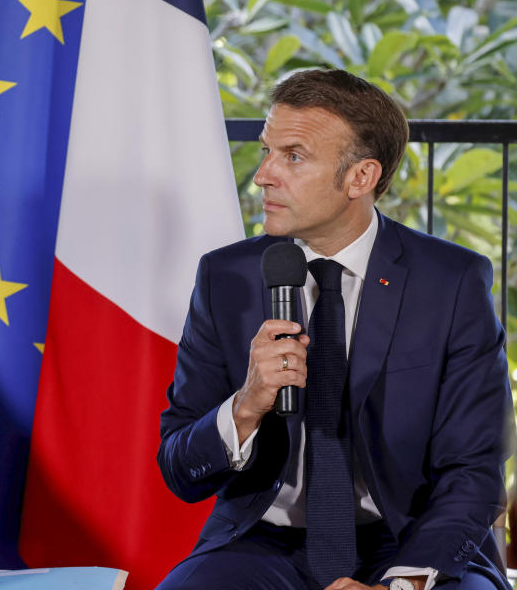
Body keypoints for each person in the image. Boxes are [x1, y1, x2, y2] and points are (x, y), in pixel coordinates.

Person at [156, 69, 512, 590]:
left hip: (414, 541)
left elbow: (474, 471)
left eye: (293, 156)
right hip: (265, 544)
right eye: (265, 151)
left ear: (360, 178)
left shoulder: (453, 281)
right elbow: (178, 468)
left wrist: (405, 583)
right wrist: (246, 404)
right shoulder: (224, 277)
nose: (263, 175)